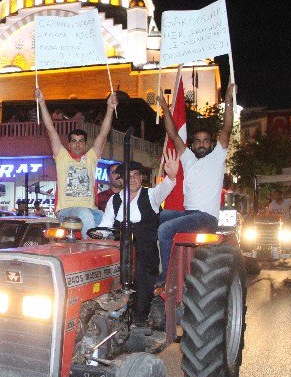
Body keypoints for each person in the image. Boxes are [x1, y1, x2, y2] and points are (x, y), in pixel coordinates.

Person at [156, 83, 236, 288]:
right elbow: (173, 134)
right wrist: (165, 109)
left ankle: (167, 275)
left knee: (165, 229)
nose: (201, 144)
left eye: (205, 141)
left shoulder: (217, 158)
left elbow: (227, 128)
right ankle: (155, 264)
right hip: (189, 214)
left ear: (211, 144)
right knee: (161, 216)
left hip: (206, 218)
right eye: (198, 141)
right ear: (193, 144)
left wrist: (228, 100)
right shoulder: (189, 159)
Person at [98, 152, 179, 324]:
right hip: (121, 249)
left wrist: (171, 176)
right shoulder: (114, 200)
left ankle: (140, 318)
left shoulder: (151, 196)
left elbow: (166, 187)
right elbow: (105, 226)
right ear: (122, 180)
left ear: (141, 178)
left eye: (136, 175)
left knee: (143, 272)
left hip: (145, 249)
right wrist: (98, 236)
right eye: (128, 176)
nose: (133, 179)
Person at [36, 87, 117, 236]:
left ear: (86, 144)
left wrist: (110, 108)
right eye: (74, 141)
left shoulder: (91, 158)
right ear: (69, 144)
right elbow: (51, 130)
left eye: (81, 141)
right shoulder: (62, 156)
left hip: (92, 210)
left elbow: (103, 133)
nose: (77, 144)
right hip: (66, 211)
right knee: (86, 214)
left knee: (109, 223)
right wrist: (41, 102)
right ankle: (88, 249)